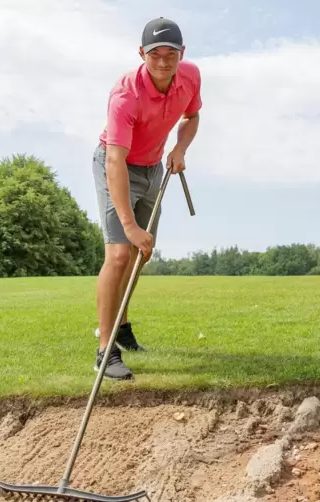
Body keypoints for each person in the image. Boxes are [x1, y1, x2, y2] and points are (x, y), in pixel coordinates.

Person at [91, 16, 202, 380]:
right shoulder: (125, 95)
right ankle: (105, 351)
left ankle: (121, 326)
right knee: (121, 252)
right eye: (156, 54)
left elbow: (192, 116)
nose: (164, 61)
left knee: (141, 254)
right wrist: (129, 225)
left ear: (182, 54)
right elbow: (114, 160)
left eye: (171, 53)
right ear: (142, 54)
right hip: (117, 166)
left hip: (154, 166)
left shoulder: (190, 77)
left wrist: (180, 148)